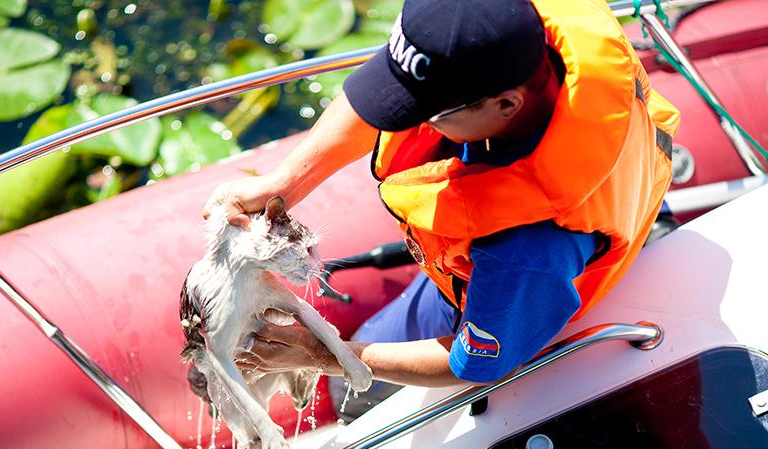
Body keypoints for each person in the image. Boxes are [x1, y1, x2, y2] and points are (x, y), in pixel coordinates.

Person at [206, 0, 679, 419]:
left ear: (506, 103)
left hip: (509, 298)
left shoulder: (526, 246)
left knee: (355, 393)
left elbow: (473, 363)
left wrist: (325, 353)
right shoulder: (512, 26)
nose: (408, 121)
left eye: (426, 111)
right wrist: (287, 183)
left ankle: (349, 398)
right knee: (368, 344)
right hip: (491, 252)